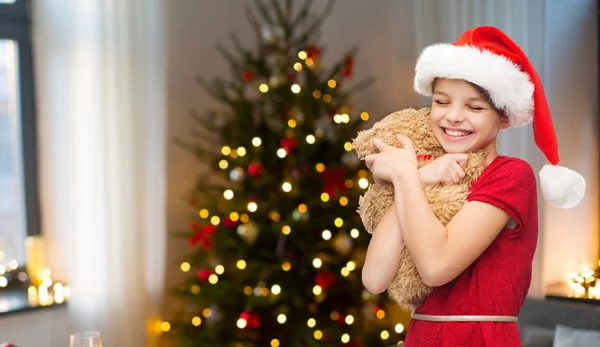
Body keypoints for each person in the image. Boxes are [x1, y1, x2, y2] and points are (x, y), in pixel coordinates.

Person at [361, 26, 586, 346]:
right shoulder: (425, 176)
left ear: (504, 117)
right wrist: (419, 177)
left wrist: (405, 175)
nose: (453, 116)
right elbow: (374, 279)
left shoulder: (511, 175)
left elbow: (436, 267)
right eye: (441, 101)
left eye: (475, 107)